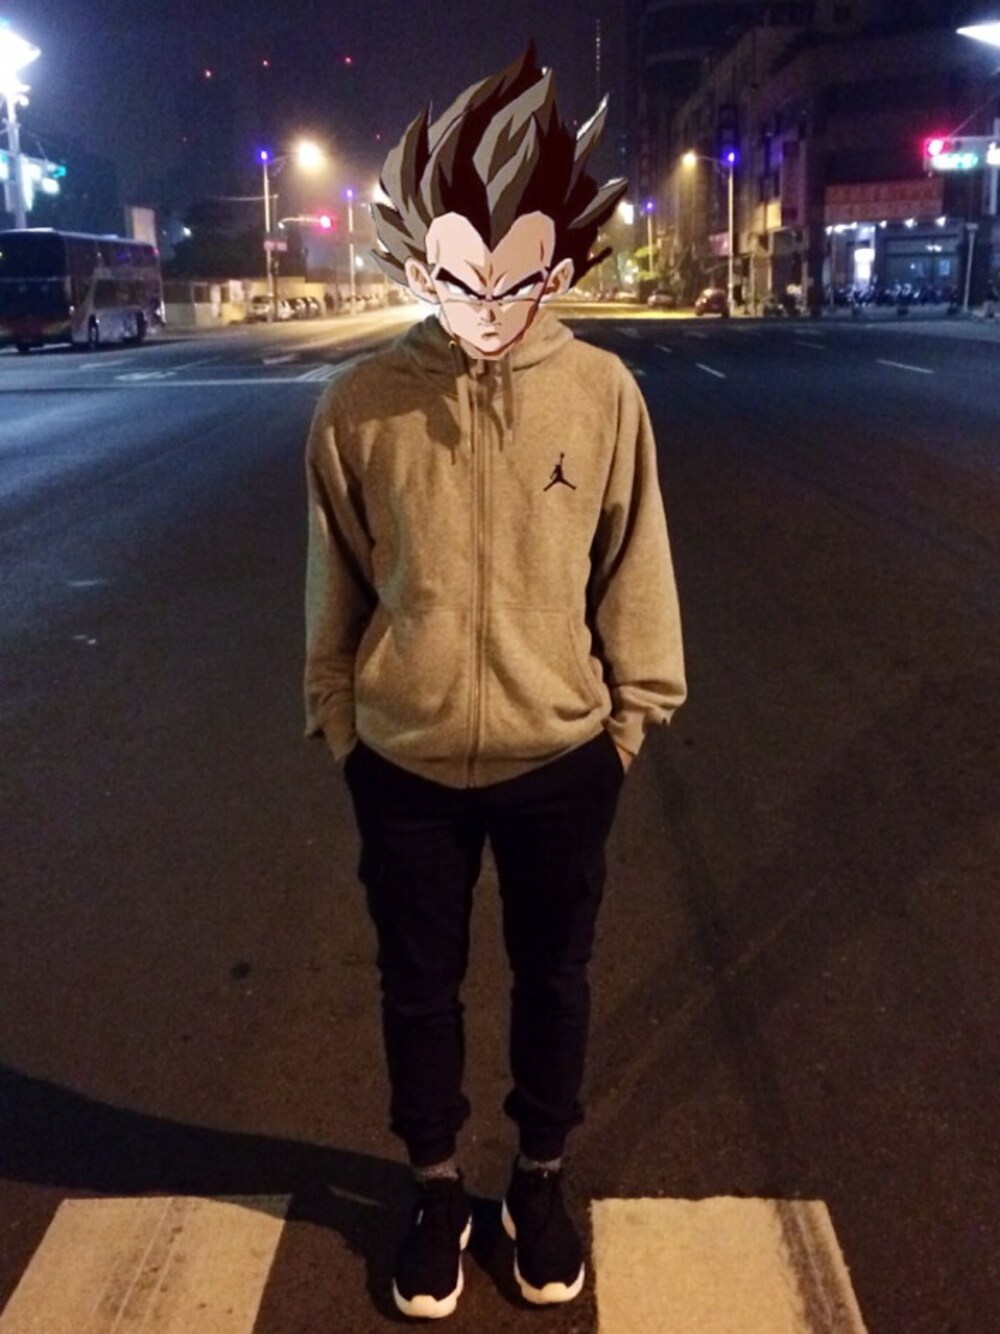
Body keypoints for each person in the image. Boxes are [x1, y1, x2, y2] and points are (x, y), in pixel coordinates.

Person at [304, 45, 686, 1320]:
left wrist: (627, 723)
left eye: (515, 275)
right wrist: (342, 721)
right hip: (402, 760)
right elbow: (334, 584)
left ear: (559, 268)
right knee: (416, 987)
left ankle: (536, 1182)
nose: (485, 300)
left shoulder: (601, 394)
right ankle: (433, 1188)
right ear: (416, 265)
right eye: (458, 274)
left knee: (553, 982)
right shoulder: (361, 407)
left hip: (560, 758)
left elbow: (634, 566)